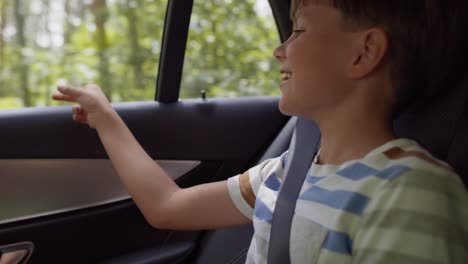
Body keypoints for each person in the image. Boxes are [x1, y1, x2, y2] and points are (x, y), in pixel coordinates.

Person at [53, 0, 468, 263]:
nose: (279, 48)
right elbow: (168, 206)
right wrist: (104, 117)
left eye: (300, 30)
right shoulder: (288, 171)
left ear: (364, 52)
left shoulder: (412, 191)